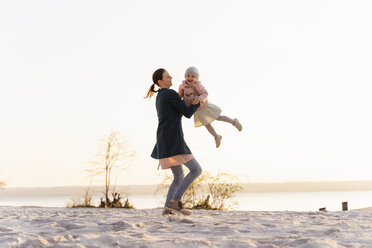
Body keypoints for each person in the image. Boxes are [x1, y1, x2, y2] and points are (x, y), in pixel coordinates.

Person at [145, 68, 202, 216]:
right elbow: (188, 113)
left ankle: (167, 209)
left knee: (178, 176)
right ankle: (175, 201)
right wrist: (198, 101)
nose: (171, 78)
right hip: (173, 141)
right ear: (160, 81)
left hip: (164, 141)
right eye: (168, 77)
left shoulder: (160, 96)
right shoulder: (170, 94)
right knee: (196, 170)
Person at [178, 66, 242, 148]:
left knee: (217, 117)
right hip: (197, 110)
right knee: (206, 124)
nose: (190, 78)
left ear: (196, 78)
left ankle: (233, 121)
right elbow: (180, 95)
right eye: (188, 76)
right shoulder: (182, 86)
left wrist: (198, 99)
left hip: (204, 106)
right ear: (185, 76)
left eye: (193, 76)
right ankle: (216, 136)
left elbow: (205, 93)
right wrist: (177, 99)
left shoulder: (197, 85)